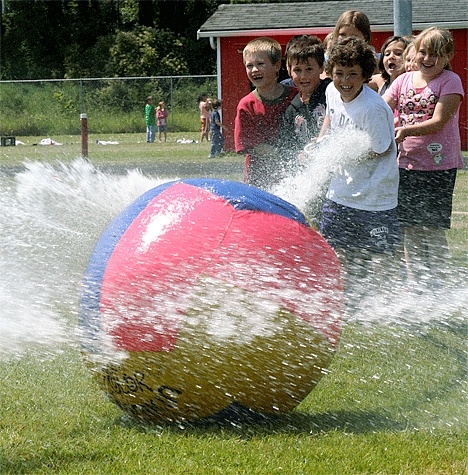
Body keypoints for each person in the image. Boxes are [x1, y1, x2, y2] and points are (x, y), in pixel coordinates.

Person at [317, 36, 400, 305]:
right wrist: (321, 143)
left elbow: (383, 149)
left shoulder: (372, 108)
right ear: (330, 72)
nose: (345, 80)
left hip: (374, 195)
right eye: (339, 73)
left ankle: (382, 305)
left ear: (365, 74)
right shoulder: (331, 90)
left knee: (379, 256)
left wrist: (344, 152)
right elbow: (331, 116)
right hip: (340, 192)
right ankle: (346, 300)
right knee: (337, 250)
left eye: (352, 74)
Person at [383, 27, 465, 288]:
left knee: (432, 228)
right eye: (423, 52)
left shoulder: (450, 81)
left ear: (449, 55)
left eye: (437, 54)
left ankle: (439, 284)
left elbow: (439, 121)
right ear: (415, 52)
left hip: (438, 166)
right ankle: (416, 283)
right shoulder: (402, 81)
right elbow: (382, 109)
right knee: (410, 228)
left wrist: (405, 129)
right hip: (406, 164)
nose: (428, 59)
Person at [234, 37, 297, 190]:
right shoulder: (247, 105)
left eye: (260, 64)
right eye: (249, 66)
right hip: (258, 181)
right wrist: (284, 155)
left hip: (294, 177)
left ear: (277, 66)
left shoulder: (296, 97)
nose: (254, 70)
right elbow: (249, 145)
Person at [279, 35, 331, 168]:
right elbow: (286, 147)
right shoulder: (291, 110)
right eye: (297, 70)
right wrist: (298, 156)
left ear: (321, 68)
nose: (303, 76)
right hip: (308, 171)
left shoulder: (331, 92)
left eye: (309, 69)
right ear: (289, 70)